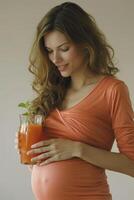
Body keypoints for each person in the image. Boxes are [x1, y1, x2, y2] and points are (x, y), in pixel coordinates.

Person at [20, 2, 134, 200]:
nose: (55, 59)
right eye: (49, 50)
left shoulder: (112, 90)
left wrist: (77, 149)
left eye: (64, 48)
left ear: (85, 44)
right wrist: (29, 149)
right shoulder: (52, 91)